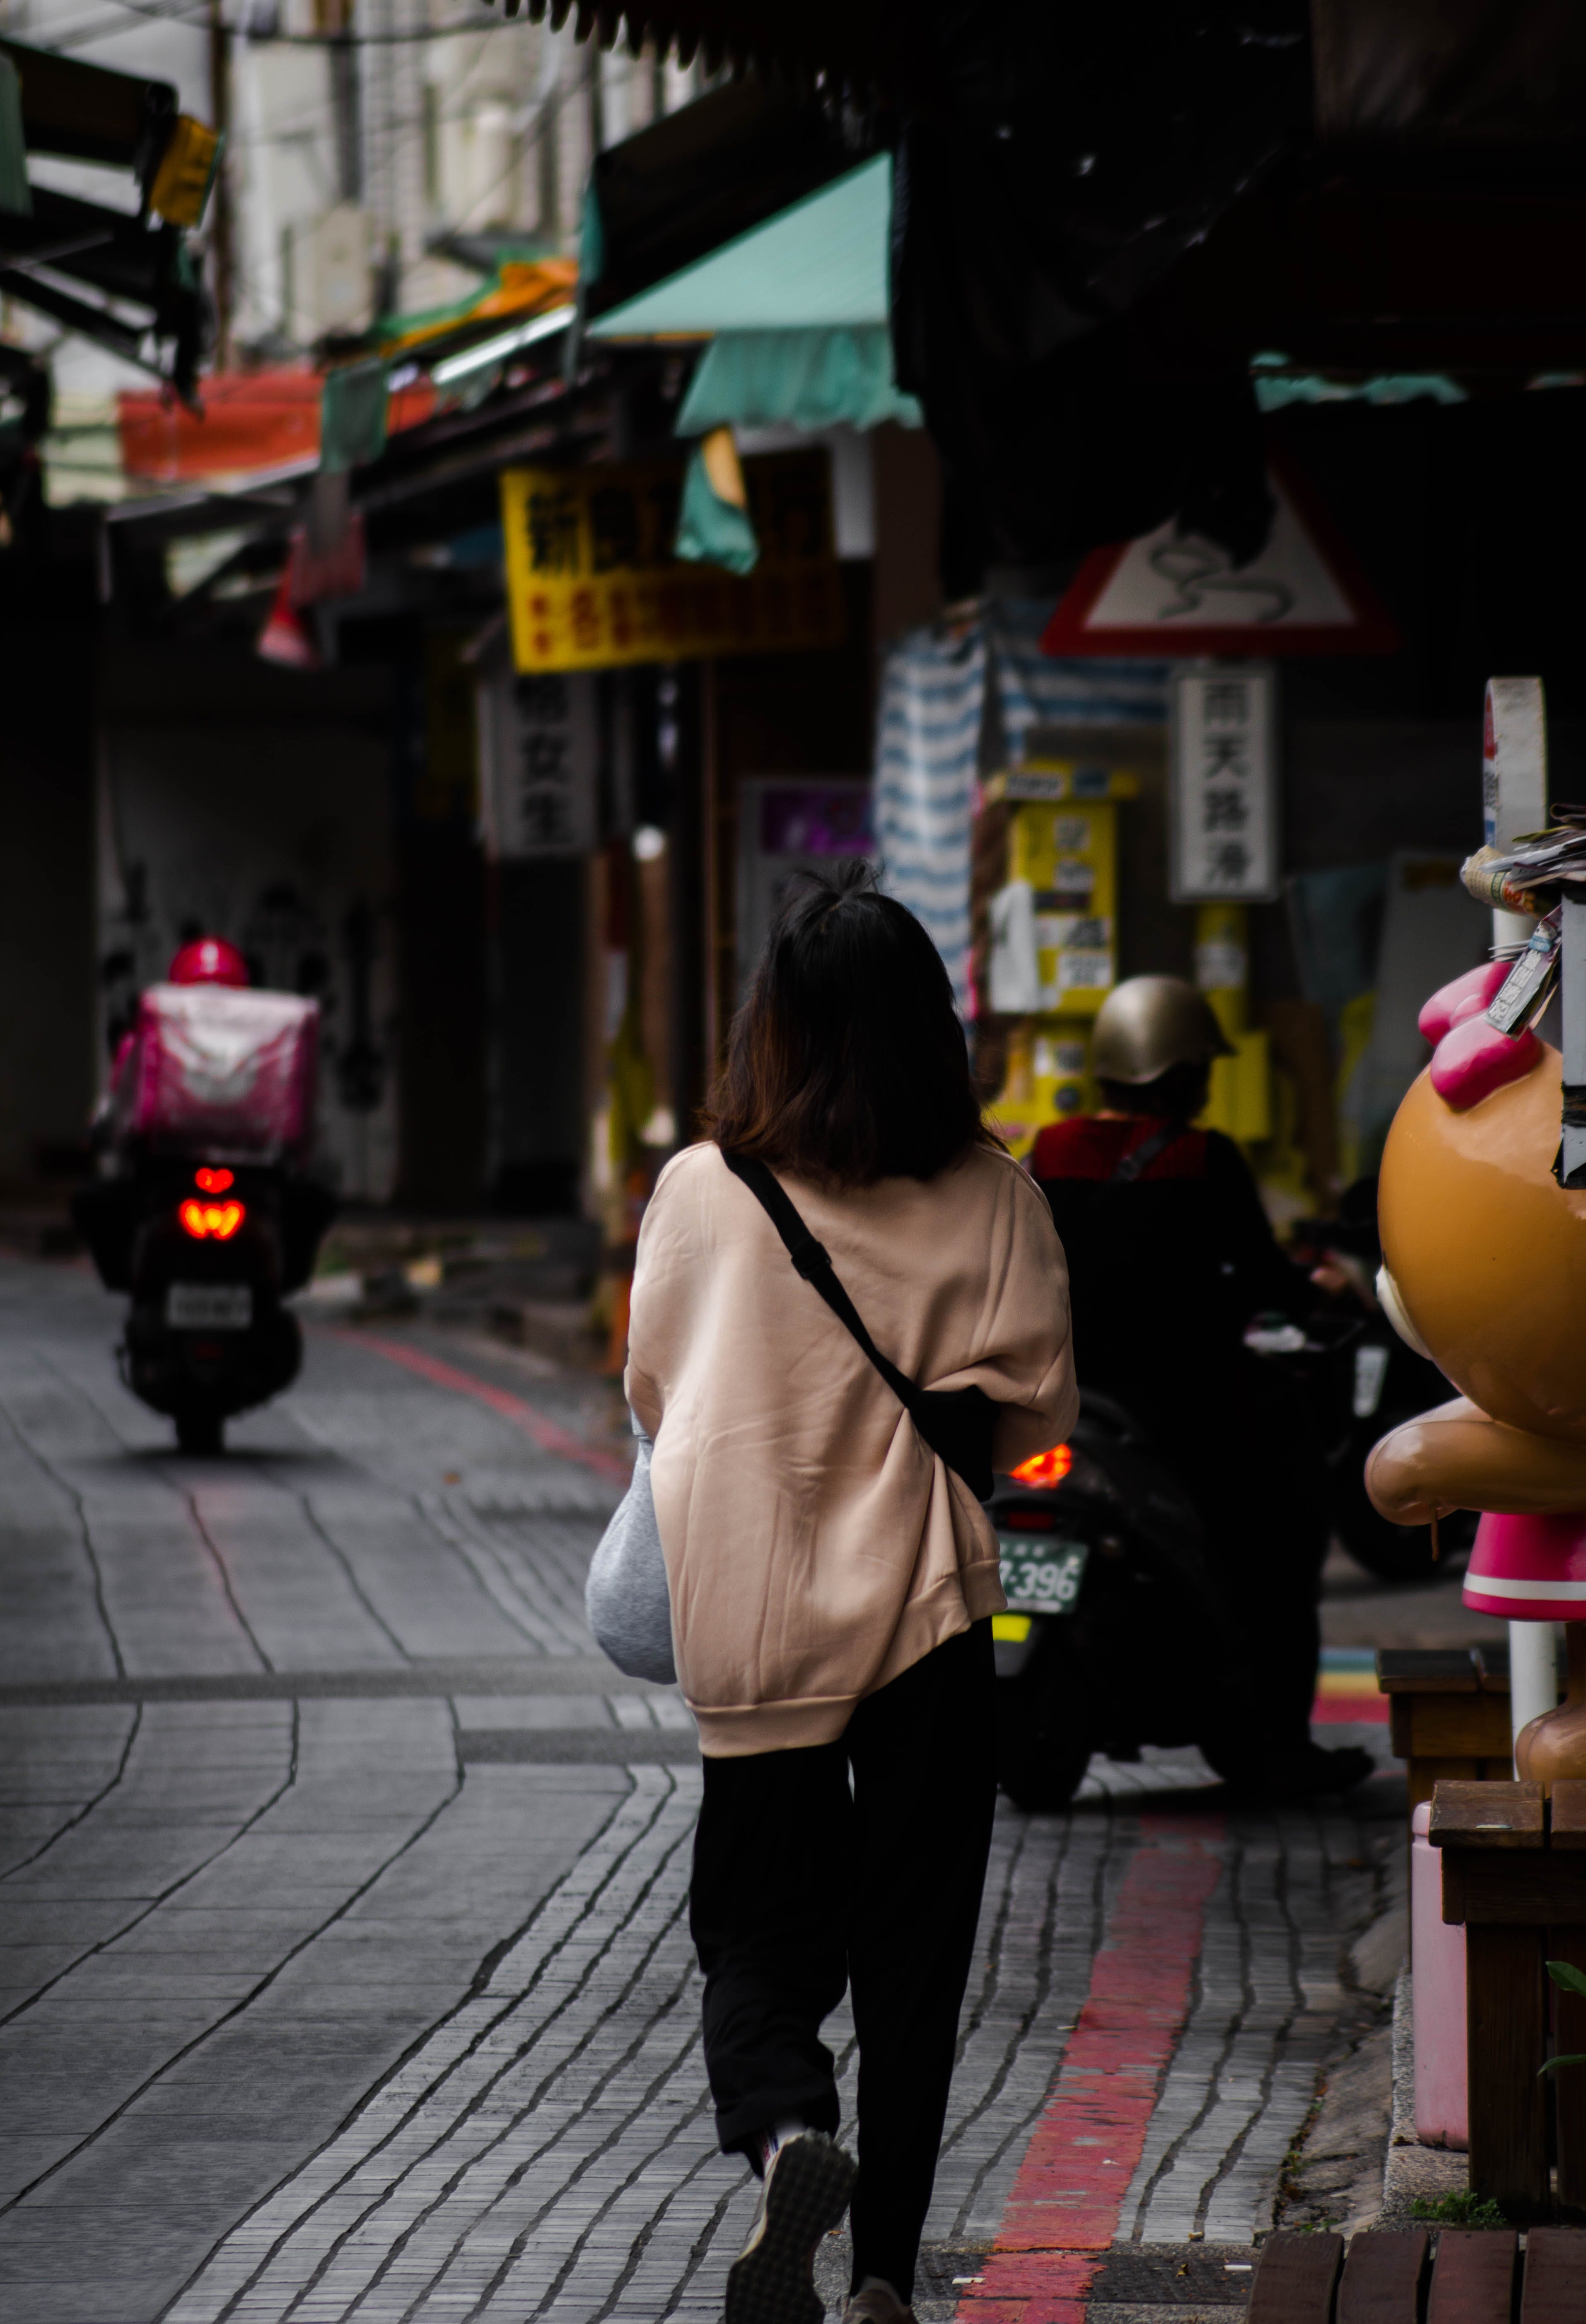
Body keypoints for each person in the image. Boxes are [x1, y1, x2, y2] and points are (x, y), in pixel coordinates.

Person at [625, 863, 1076, 2324]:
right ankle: (885, 2271)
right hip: (930, 1622)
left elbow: (649, 1386)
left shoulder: (702, 1189)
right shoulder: (999, 1196)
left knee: (756, 1937)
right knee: (915, 1956)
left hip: (751, 1621)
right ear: (930, 1029)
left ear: (776, 1026)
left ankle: (783, 2132)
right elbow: (1032, 1416)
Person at [1026, 973, 1371, 1800]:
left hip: (1068, 1403)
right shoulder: (1199, 1158)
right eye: (1200, 1070)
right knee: (1282, 1542)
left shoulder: (1048, 1150)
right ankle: (1275, 1741)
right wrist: (1320, 1290)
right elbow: (1260, 1280)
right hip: (1188, 1410)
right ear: (1177, 1075)